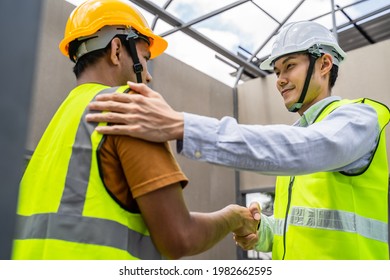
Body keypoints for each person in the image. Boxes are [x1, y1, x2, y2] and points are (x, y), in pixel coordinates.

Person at [85, 20, 390, 260]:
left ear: (324, 64)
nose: (280, 79)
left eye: (290, 66)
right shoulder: (300, 135)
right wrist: (262, 228)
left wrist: (181, 126)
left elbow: (308, 148)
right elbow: (298, 231)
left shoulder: (359, 119)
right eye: (277, 70)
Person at [12, 0, 259, 260]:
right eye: (145, 58)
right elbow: (179, 238)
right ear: (117, 50)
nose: (149, 76)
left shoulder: (61, 119)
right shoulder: (129, 108)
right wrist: (233, 217)